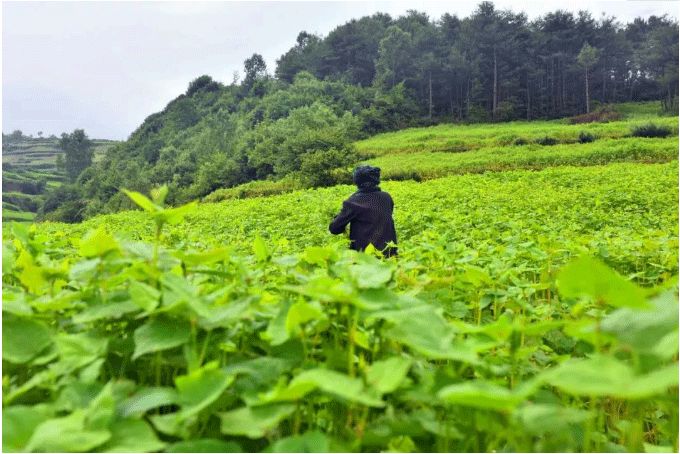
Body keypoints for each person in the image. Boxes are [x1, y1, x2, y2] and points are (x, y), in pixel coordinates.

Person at [329, 165, 398, 257]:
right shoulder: (386, 197)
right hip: (389, 254)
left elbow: (334, 228)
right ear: (376, 180)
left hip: (365, 258)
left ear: (356, 181)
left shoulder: (353, 201)